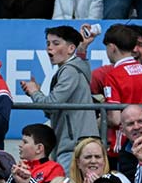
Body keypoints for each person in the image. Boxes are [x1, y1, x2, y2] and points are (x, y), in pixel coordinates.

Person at [20, 26, 98, 171]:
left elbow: (51, 106)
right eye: (48, 43)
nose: (50, 48)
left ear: (71, 48)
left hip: (73, 146)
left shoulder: (69, 70)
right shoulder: (75, 67)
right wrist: (36, 93)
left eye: (56, 43)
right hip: (75, 143)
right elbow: (51, 111)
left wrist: (34, 92)